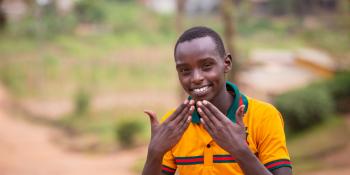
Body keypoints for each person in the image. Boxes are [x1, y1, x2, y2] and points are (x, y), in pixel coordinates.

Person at [142, 26, 292, 175]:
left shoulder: (264, 116)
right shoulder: (175, 124)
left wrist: (240, 151)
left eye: (206, 66)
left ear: (226, 64)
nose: (196, 78)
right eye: (185, 70)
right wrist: (155, 153)